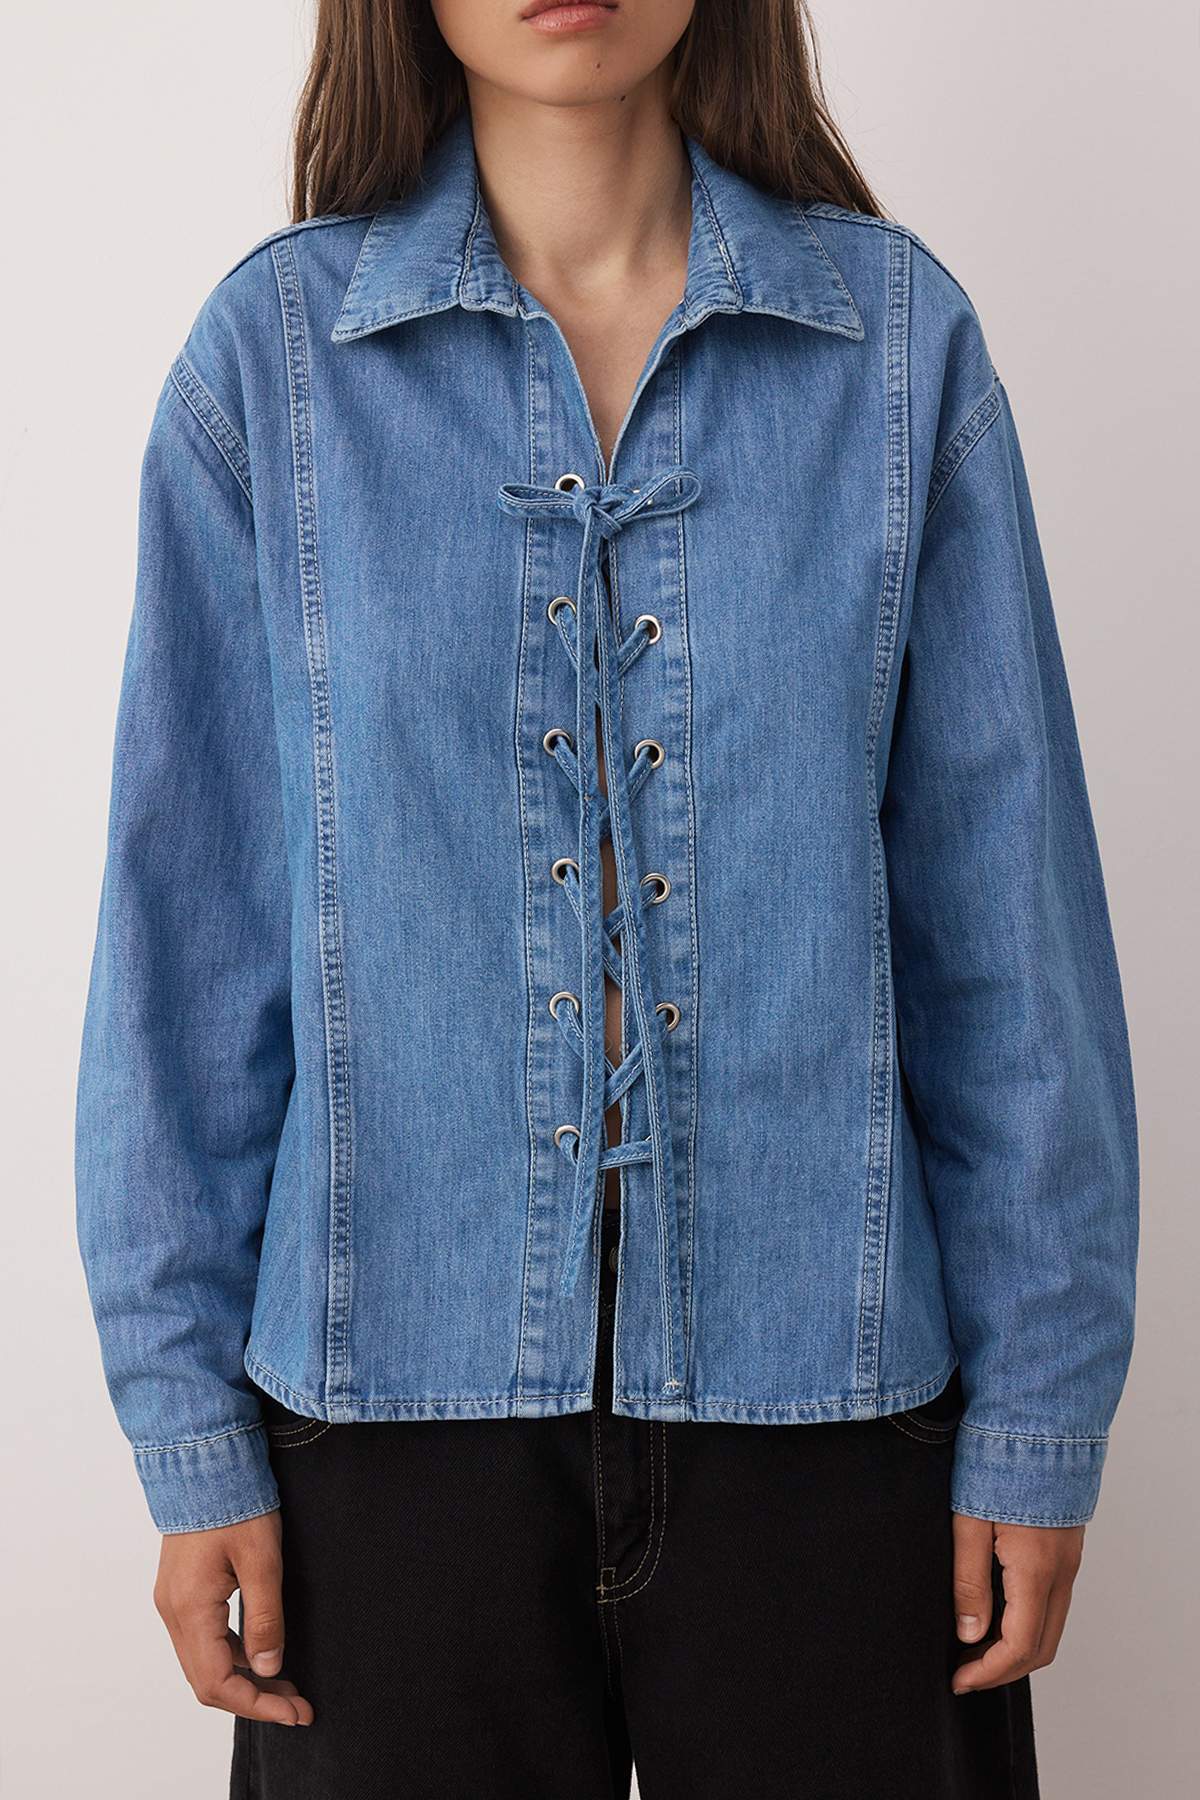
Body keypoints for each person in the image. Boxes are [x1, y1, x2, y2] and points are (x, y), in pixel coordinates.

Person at [75, 3, 1139, 1796]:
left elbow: (1007, 937)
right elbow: (186, 948)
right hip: (381, 1431)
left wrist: (1041, 1414)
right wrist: (187, 1432)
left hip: (833, 1410)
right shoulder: (273, 367)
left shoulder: (897, 355)